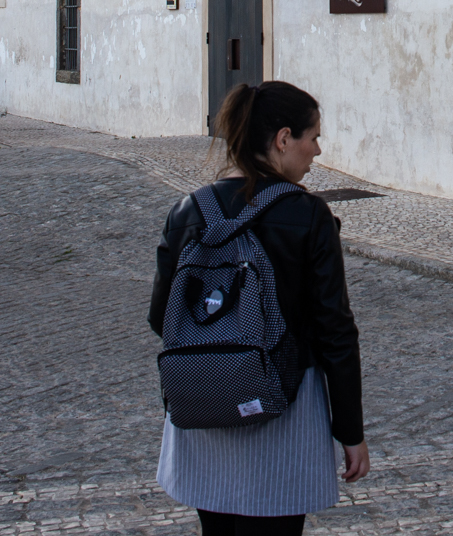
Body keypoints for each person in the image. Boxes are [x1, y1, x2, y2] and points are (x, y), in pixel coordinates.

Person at [149, 81, 369, 535]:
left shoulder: (188, 210)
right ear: (283, 139)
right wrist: (350, 432)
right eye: (313, 137)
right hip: (282, 414)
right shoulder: (310, 216)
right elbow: (335, 333)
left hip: (203, 408)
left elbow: (160, 316)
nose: (318, 150)